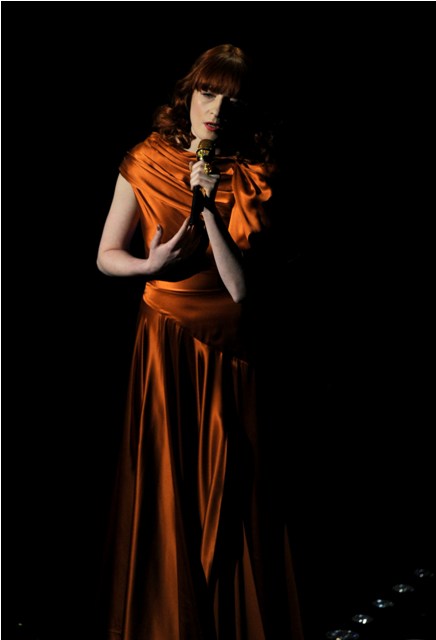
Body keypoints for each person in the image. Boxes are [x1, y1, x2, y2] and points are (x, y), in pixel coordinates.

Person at [96, 43, 305, 640]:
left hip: (231, 349)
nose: (216, 110)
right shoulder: (146, 158)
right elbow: (106, 254)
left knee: (233, 491)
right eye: (208, 94)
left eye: (231, 100)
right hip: (164, 339)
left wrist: (207, 204)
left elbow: (241, 290)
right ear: (188, 95)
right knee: (169, 483)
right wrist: (148, 265)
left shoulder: (255, 173)